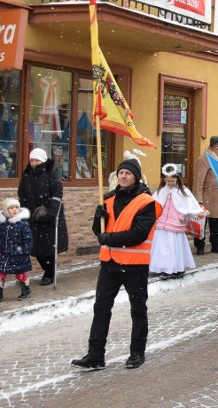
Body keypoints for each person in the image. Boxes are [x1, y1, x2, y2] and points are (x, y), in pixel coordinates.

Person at [71, 158, 160, 370]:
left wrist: (108, 239)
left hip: (135, 265)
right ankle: (95, 355)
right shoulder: (109, 198)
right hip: (109, 265)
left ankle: (137, 353)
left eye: (128, 173)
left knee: (138, 310)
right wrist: (97, 217)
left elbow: (138, 234)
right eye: (120, 173)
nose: (123, 176)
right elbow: (99, 231)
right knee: (101, 308)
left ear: (136, 176)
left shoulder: (146, 202)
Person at [18, 147, 68, 286]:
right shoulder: (27, 175)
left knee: (48, 247)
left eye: (37, 160)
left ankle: (50, 271)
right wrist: (23, 210)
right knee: (35, 246)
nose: (34, 163)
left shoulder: (51, 174)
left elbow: (57, 194)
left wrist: (50, 213)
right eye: (32, 160)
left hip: (48, 216)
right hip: (32, 216)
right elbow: (22, 194)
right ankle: (48, 269)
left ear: (43, 160)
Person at [151, 164, 202, 279]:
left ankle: (176, 268)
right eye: (168, 181)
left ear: (177, 179)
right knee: (161, 247)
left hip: (175, 224)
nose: (170, 183)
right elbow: (154, 205)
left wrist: (181, 217)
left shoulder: (183, 192)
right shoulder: (160, 191)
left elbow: (189, 207)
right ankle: (162, 267)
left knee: (173, 248)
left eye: (172, 181)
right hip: (162, 224)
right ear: (164, 180)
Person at [0, 198, 34, 304]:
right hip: (4, 254)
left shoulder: (23, 224)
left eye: (16, 207)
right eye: (11, 208)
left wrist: (25, 251)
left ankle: (26, 291)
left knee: (20, 273)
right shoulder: (1, 224)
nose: (14, 210)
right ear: (6, 210)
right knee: (0, 274)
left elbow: (28, 239)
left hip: (19, 254)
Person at [193, 135, 218, 254]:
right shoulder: (204, 159)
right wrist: (198, 199)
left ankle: (216, 245)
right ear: (217, 145)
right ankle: (200, 246)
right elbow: (198, 181)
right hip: (206, 196)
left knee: (217, 222)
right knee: (202, 223)